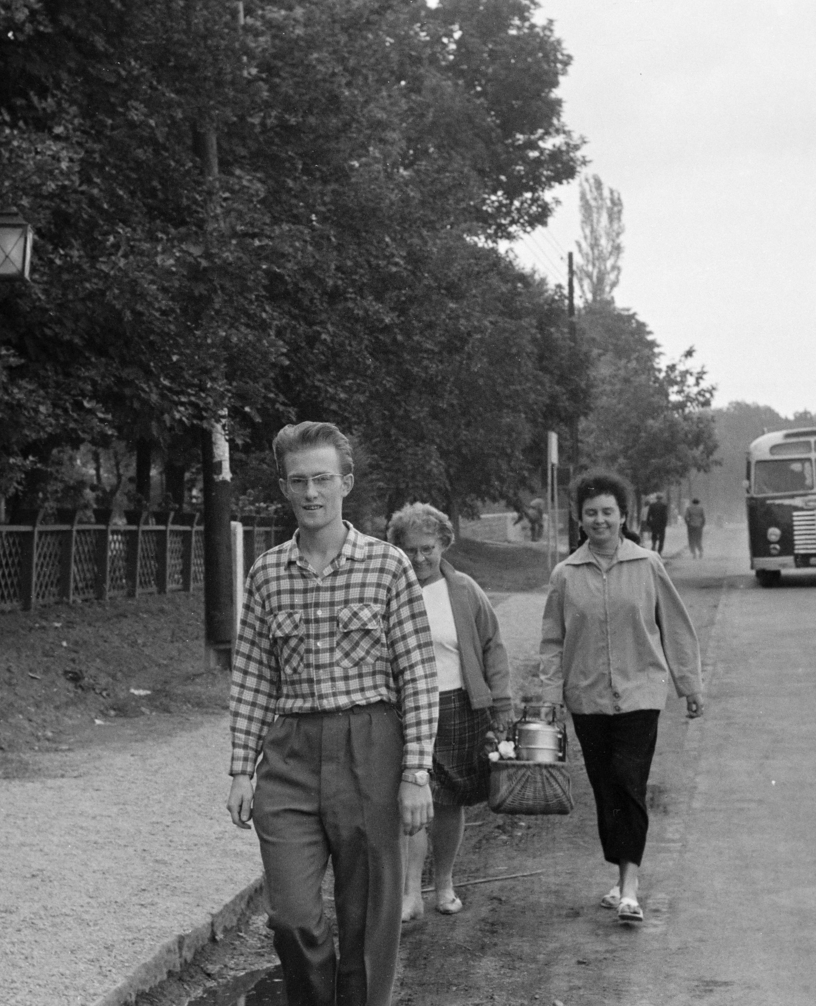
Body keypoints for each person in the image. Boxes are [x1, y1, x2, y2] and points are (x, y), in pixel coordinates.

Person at [227, 421, 438, 1006]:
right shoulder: (268, 572)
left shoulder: (388, 565)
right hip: (290, 754)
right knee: (294, 917)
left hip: (370, 744)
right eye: (299, 482)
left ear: (345, 482)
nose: (311, 493)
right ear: (285, 488)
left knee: (368, 919)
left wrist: (415, 772)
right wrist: (242, 769)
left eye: (322, 479)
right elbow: (252, 676)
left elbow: (418, 675)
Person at [535, 470, 705, 926]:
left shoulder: (647, 565)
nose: (600, 520)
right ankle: (620, 874)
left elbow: (674, 625)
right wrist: (550, 694)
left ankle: (631, 886)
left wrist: (689, 684)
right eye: (591, 513)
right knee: (605, 788)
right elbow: (552, 640)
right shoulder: (565, 574)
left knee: (629, 783)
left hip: (640, 693)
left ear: (623, 515)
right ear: (580, 518)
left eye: (608, 512)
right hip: (586, 697)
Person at [386, 502, 512, 921]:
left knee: (450, 801)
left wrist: (501, 705)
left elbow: (493, 646)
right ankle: (410, 894)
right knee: (413, 800)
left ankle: (444, 884)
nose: (420, 559)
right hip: (406, 709)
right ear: (398, 550)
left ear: (443, 545)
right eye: (411, 551)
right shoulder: (389, 590)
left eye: (428, 549)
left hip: (458, 705)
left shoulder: (464, 590)